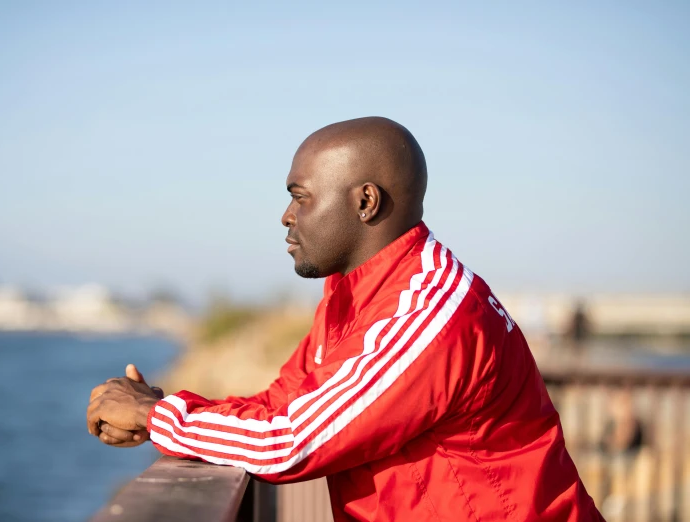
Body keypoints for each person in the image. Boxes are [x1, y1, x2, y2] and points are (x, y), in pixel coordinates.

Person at [87, 117, 604, 521]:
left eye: (300, 197)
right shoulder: (353, 295)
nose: (286, 216)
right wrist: (162, 412)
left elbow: (290, 442)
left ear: (365, 202)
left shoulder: (430, 311)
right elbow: (282, 405)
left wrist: (157, 418)